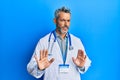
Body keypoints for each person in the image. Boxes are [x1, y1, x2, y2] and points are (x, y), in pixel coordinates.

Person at [27, 6, 91, 80]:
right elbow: (30, 67)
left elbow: (86, 62)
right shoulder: (44, 41)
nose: (66, 24)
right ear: (55, 21)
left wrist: (81, 66)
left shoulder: (76, 41)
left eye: (68, 20)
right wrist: (39, 68)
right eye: (62, 20)